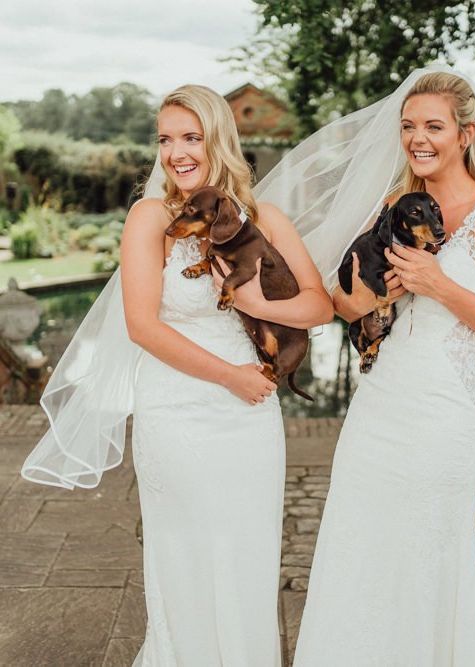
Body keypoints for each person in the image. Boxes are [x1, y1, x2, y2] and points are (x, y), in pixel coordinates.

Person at [22, 84, 333, 666]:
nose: (175, 153)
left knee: (246, 555)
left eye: (190, 137)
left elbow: (319, 305)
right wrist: (230, 376)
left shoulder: (264, 220)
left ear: (219, 140)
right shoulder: (151, 218)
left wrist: (261, 306)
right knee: (185, 557)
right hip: (178, 407)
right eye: (165, 139)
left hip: (249, 420)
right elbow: (143, 326)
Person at [292, 69, 475, 665]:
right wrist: (367, 300)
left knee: (427, 548)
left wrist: (438, 286)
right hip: (379, 408)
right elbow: (341, 302)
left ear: (465, 134)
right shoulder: (388, 207)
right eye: (408, 127)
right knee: (361, 544)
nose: (418, 139)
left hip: (444, 413)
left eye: (434, 126)